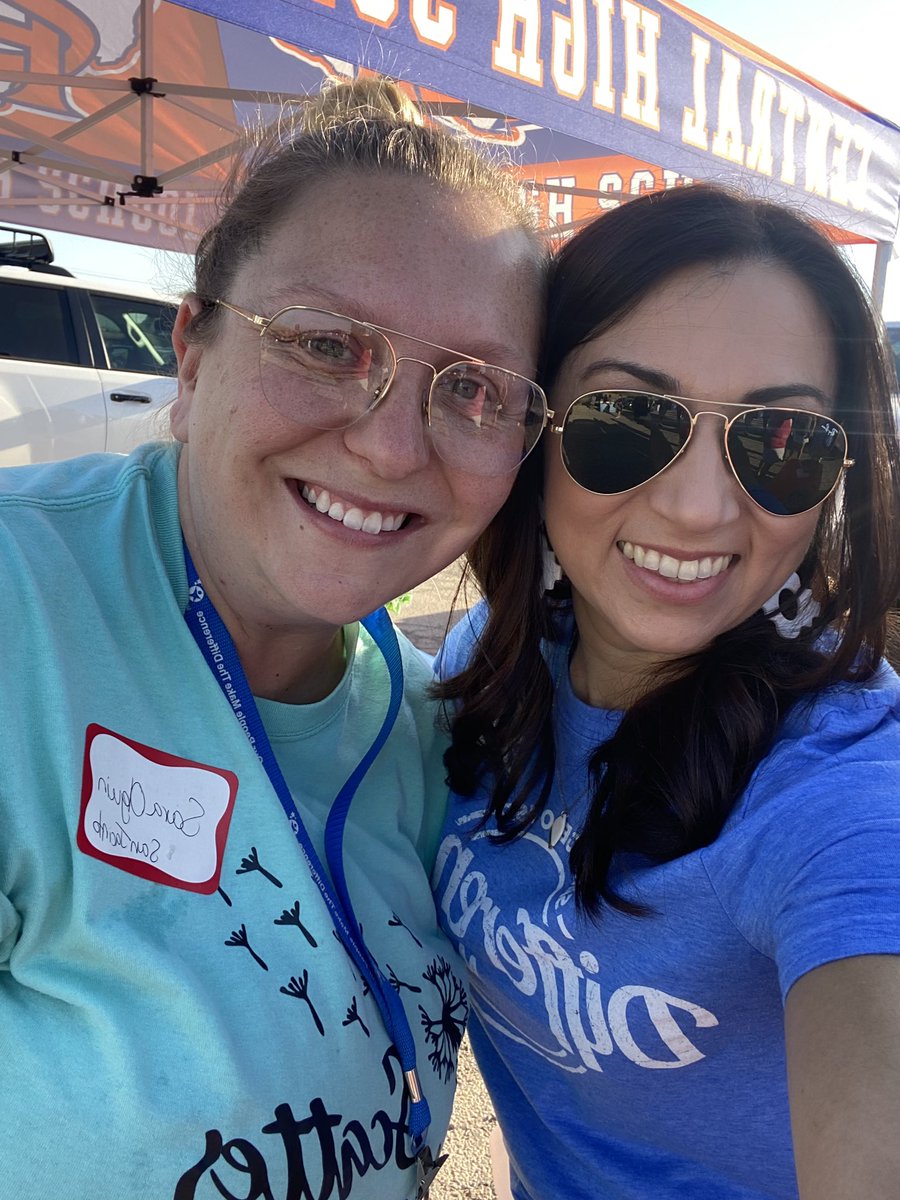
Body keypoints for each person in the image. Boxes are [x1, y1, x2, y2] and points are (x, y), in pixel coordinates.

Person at [0, 79, 548, 1199]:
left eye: (474, 388)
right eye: (325, 342)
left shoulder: (432, 720)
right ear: (192, 352)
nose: (394, 447)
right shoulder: (21, 609)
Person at [432, 185, 900, 1200]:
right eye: (626, 419)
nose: (697, 508)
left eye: (783, 442)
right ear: (532, 419)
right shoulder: (487, 662)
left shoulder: (843, 787)